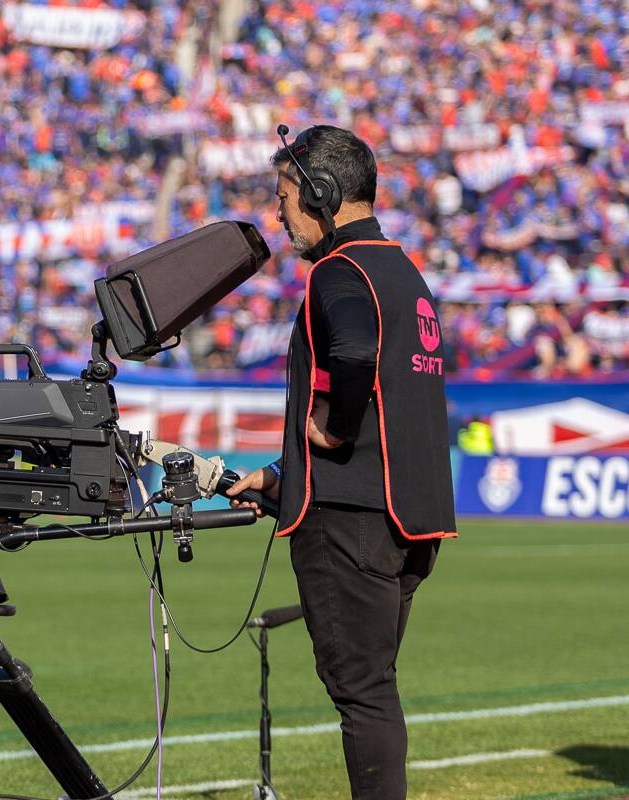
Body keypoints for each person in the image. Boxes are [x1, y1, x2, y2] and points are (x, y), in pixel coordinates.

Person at [227, 125, 457, 800]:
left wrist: (331, 424)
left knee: (363, 695)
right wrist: (279, 476)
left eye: (285, 196)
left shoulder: (338, 269)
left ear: (321, 194)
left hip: (351, 523)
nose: (278, 213)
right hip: (407, 518)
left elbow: (355, 356)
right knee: (374, 688)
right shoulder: (403, 269)